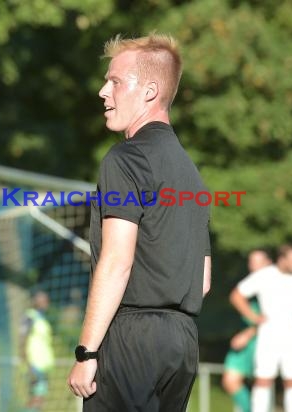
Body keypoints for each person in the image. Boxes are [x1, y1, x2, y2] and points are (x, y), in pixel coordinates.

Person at [66, 33, 212, 411]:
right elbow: (204, 279)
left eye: (114, 81)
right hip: (182, 342)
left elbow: (117, 262)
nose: (103, 91)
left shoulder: (125, 159)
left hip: (132, 339)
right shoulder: (191, 174)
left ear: (149, 92)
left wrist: (86, 352)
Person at [230, 244, 292, 412]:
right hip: (268, 334)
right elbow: (237, 295)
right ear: (282, 259)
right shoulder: (264, 276)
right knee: (263, 379)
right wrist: (253, 316)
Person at [222, 249, 273, 412]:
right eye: (251, 262)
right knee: (230, 380)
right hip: (247, 339)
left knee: (262, 384)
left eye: (257, 262)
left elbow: (272, 319)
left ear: (268, 263)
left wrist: (249, 333)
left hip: (262, 339)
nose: (252, 266)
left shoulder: (272, 285)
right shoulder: (248, 284)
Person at [20, 291, 55, 412]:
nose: (46, 303)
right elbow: (22, 340)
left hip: (42, 365)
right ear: (36, 301)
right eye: (43, 300)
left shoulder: (41, 318)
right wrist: (27, 364)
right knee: (36, 397)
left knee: (39, 397)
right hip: (33, 365)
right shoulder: (29, 317)